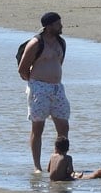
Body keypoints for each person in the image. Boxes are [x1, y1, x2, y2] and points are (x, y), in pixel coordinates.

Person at [18, 12, 70, 172]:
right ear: (48, 27)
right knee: (38, 127)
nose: (61, 26)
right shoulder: (35, 43)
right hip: (39, 88)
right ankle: (37, 166)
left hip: (57, 88)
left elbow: (59, 63)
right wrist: (35, 83)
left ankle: (57, 160)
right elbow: (22, 69)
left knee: (63, 126)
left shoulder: (61, 43)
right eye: (57, 24)